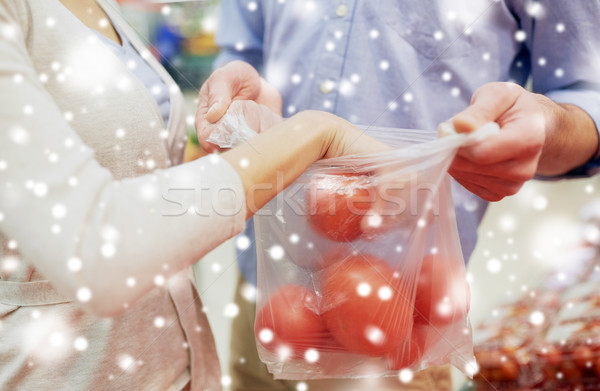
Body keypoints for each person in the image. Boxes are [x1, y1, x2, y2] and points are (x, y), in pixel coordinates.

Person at [195, 1, 600, 390]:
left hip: (400, 317)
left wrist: (549, 128)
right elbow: (244, 49)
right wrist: (240, 101)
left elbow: (587, 92)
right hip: (268, 292)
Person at [0, 0, 387, 389]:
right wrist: (309, 135)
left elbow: (132, 186)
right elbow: (96, 248)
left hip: (170, 365)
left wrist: (245, 136)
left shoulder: (97, 7)